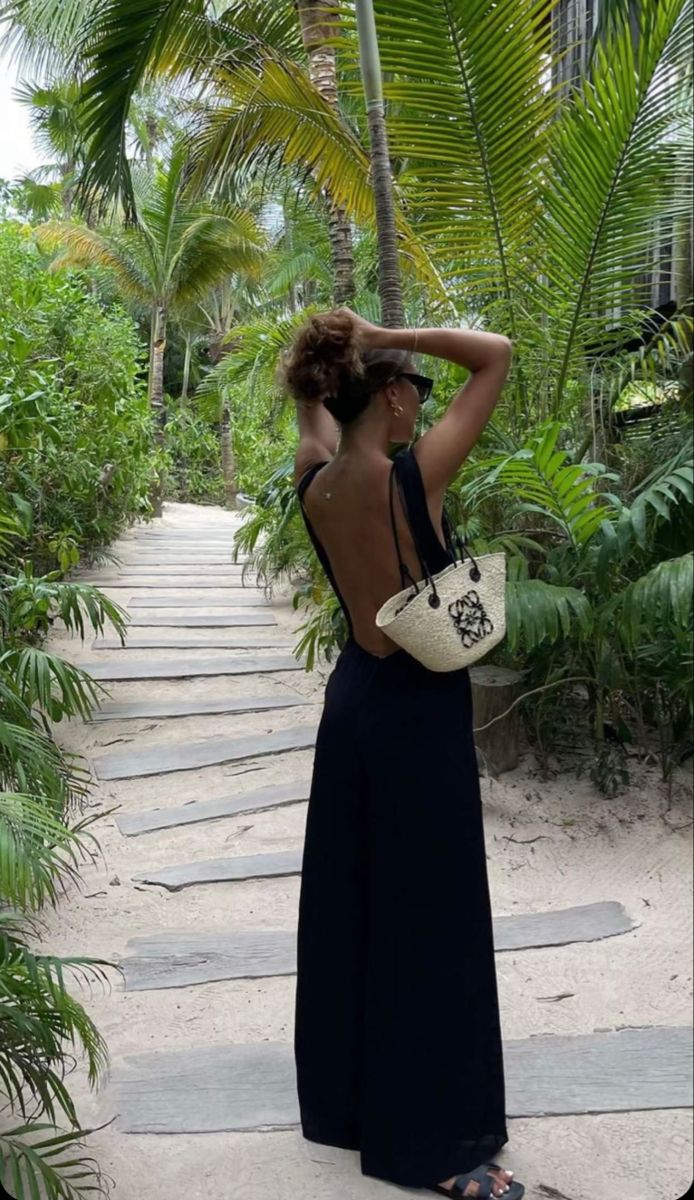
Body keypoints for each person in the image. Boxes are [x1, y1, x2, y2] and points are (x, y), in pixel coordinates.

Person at [281, 308, 522, 1199]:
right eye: (413, 393)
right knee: (433, 920)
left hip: (352, 704)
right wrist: (394, 334)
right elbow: (494, 358)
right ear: (388, 394)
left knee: (355, 903)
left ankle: (349, 1108)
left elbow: (312, 408)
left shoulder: (315, 480)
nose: (421, 406)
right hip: (418, 704)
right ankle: (439, 1148)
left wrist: (329, 360)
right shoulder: (407, 479)